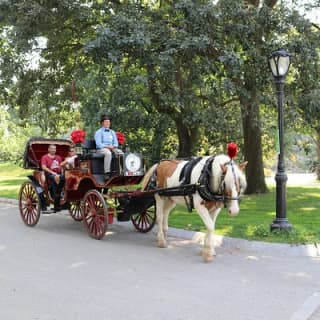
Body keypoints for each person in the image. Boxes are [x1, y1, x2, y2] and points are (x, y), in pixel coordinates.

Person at [41, 144, 65, 211]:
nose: (53, 150)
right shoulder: (45, 157)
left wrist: (62, 173)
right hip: (50, 174)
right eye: (52, 148)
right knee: (55, 178)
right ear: (48, 149)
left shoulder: (59, 157)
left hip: (59, 174)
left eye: (55, 149)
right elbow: (43, 167)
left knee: (65, 177)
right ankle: (56, 197)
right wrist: (53, 173)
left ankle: (64, 195)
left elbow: (61, 166)